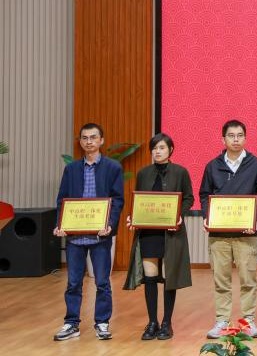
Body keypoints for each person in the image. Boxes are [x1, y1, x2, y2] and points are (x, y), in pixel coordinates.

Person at [199, 119, 257, 339]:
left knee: (248, 280)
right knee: (221, 280)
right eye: (231, 136)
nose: (236, 139)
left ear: (245, 138)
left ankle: (247, 321)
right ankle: (222, 320)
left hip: (246, 234)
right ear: (223, 139)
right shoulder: (212, 166)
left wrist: (255, 219)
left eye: (240, 135)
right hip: (219, 235)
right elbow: (204, 195)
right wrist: (207, 216)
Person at [53, 122, 125, 341]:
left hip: (100, 235)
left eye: (93, 137)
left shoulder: (113, 167)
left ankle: (102, 323)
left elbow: (117, 200)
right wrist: (60, 224)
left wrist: (110, 224)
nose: (89, 141)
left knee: (102, 282)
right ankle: (71, 323)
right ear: (80, 142)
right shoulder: (72, 169)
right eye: (84, 138)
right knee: (73, 282)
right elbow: (62, 200)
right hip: (75, 236)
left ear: (101, 140)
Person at [123, 132, 194, 341]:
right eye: (154, 148)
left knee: (170, 276)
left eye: (162, 148)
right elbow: (139, 201)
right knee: (150, 277)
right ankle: (152, 322)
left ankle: (166, 323)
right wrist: (133, 217)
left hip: (171, 232)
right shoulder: (143, 173)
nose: (157, 152)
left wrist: (180, 215)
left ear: (170, 150)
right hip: (149, 232)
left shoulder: (180, 172)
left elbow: (189, 198)